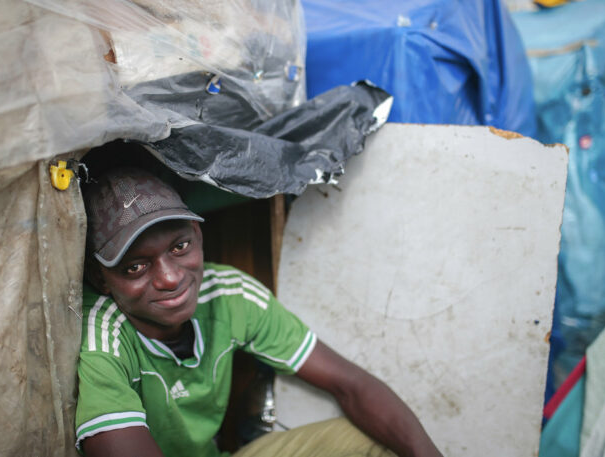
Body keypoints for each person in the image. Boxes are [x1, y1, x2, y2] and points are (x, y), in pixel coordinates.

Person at [76, 167, 443, 457]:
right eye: (136, 267)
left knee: (375, 442)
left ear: (198, 236)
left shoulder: (230, 294)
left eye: (180, 246)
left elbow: (351, 385)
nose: (171, 278)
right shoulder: (101, 335)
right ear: (101, 278)